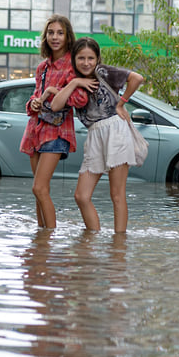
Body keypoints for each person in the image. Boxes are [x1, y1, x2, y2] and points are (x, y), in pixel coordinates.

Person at [48, 37, 145, 233]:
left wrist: (121, 103)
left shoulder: (103, 72)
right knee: (81, 196)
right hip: (94, 134)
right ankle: (92, 241)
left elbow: (137, 78)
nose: (86, 63)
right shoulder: (73, 79)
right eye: (81, 58)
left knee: (117, 195)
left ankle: (118, 249)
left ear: (97, 58)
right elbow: (55, 105)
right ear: (74, 59)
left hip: (115, 130)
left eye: (90, 58)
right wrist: (75, 82)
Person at [19, 15, 85, 229]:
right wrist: (35, 103)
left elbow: (80, 100)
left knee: (39, 188)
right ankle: (41, 242)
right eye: (50, 33)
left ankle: (49, 238)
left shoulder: (73, 66)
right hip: (35, 131)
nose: (54, 37)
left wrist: (54, 91)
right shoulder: (42, 68)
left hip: (57, 132)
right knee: (39, 191)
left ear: (67, 37)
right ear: (45, 37)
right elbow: (34, 97)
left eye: (60, 33)